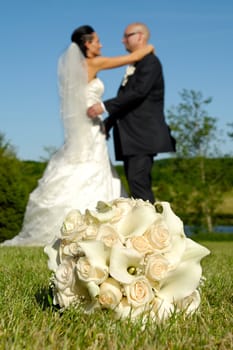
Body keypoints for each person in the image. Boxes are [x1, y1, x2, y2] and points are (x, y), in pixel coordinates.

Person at [1, 25, 154, 247]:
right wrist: (148, 45)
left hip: (87, 127)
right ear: (87, 44)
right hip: (91, 128)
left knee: (86, 169)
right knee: (91, 170)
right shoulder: (93, 63)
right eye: (97, 41)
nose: (101, 45)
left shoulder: (77, 69)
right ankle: (93, 227)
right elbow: (133, 56)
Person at [88, 22, 176, 204]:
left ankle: (150, 229)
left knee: (139, 185)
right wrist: (109, 123)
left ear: (140, 36)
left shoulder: (151, 62)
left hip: (142, 136)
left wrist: (103, 107)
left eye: (127, 36)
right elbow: (127, 100)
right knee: (136, 184)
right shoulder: (137, 64)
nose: (122, 40)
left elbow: (138, 93)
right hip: (132, 138)